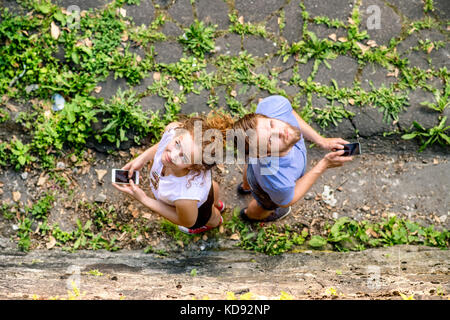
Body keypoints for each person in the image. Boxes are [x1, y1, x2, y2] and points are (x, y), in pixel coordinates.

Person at [233, 95, 354, 222]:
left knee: (251, 166)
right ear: (265, 155)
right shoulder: (277, 181)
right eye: (270, 140)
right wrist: (323, 164)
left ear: (266, 116)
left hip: (254, 167)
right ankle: (249, 215)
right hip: (266, 186)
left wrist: (321, 141)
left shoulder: (273, 107)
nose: (280, 131)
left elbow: (289, 111)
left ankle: (246, 186)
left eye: (271, 124)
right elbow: (287, 201)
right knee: (264, 205)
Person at [113, 113, 232, 234]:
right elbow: (163, 143)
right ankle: (216, 202)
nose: (172, 155)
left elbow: (188, 222)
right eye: (177, 144)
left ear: (194, 167)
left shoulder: (185, 196)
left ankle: (217, 219)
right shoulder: (173, 130)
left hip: (196, 209)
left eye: (184, 157)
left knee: (209, 215)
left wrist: (144, 199)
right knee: (211, 189)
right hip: (202, 190)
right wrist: (142, 158)